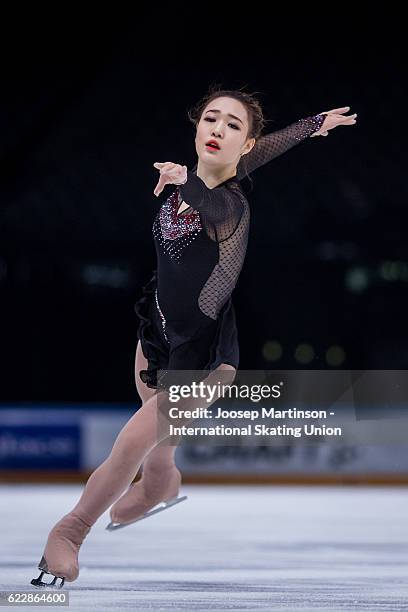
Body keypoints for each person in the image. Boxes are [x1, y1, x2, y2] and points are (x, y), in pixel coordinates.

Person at [31, 85, 357, 588]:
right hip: (159, 330)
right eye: (212, 119)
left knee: (132, 443)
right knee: (157, 448)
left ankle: (70, 532)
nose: (219, 129)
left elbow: (210, 203)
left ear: (243, 145)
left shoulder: (230, 205)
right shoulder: (213, 170)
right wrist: (314, 123)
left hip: (204, 358)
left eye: (233, 126)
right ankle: (163, 482)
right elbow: (270, 145)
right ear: (197, 126)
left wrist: (183, 182)